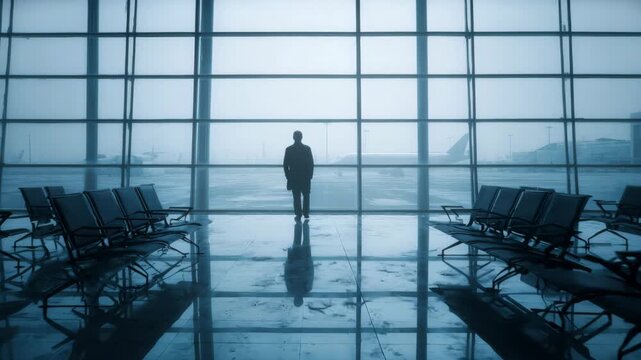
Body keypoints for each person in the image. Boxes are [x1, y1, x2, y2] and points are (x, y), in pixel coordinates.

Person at [283, 131, 314, 221]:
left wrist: (288, 176)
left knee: (296, 197)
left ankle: (298, 213)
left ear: (293, 137)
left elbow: (285, 165)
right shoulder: (307, 149)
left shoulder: (289, 149)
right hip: (305, 177)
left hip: (294, 177)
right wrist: (310, 175)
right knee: (306, 196)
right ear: (301, 137)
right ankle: (306, 213)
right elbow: (311, 164)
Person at [284, 220, 313, 307]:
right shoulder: (290, 290)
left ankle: (304, 224)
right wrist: (288, 261)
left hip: (304, 261)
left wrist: (310, 260)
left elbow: (310, 274)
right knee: (297, 240)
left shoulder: (307, 289)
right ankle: (299, 224)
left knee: (305, 241)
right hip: (295, 260)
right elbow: (287, 275)